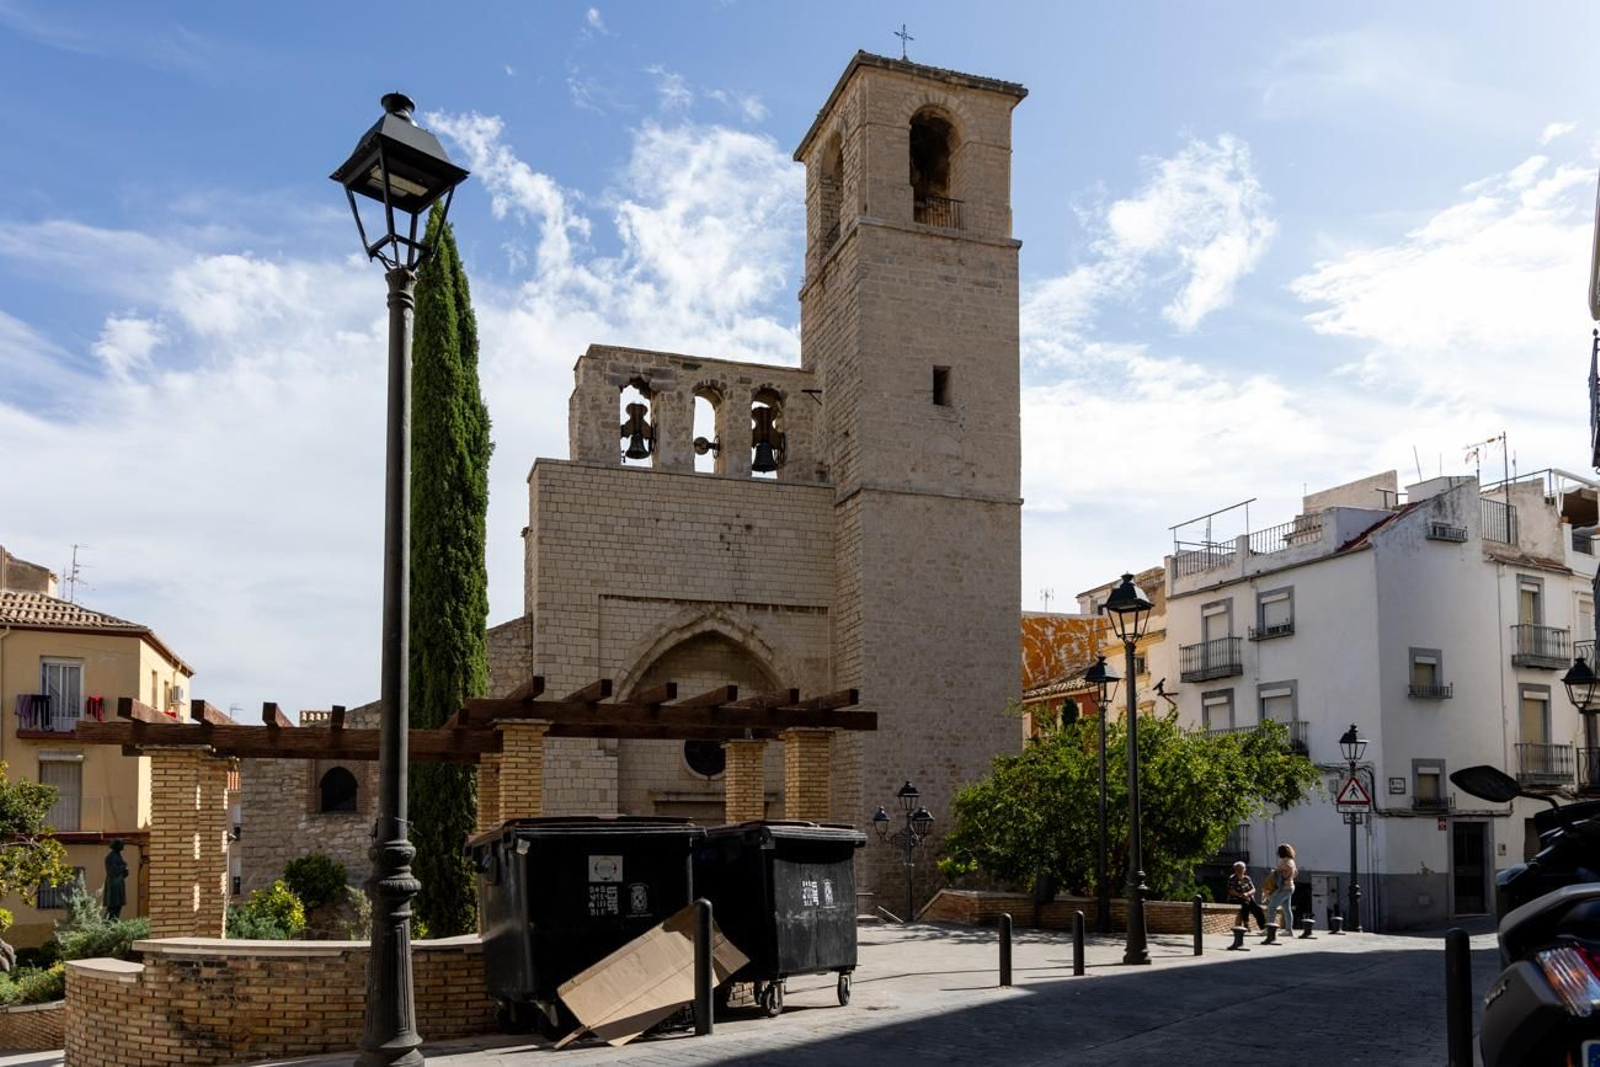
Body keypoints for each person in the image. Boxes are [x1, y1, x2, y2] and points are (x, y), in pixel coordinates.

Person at [1264, 843, 1297, 934]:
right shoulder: (1292, 860)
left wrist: (1276, 871)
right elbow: (1295, 873)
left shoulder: (1285, 861)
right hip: (1290, 886)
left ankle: (1269, 929)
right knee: (1287, 909)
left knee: (1272, 907)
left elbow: (1285, 871)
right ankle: (1289, 930)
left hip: (1284, 888)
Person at [1227, 860, 1267, 930]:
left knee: (1258, 909)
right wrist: (1242, 895)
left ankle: (1263, 928)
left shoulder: (1247, 878)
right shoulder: (1232, 878)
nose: (1239, 871)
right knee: (1246, 904)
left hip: (1248, 898)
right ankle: (1246, 922)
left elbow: (1253, 889)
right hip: (1236, 898)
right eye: (1237, 869)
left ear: (1244, 869)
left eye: (1241, 869)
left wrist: (1247, 894)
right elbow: (1231, 891)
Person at [104, 839, 128, 920]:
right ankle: (108, 927)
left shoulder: (118, 856)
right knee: (112, 909)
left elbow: (121, 873)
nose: (123, 846)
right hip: (114, 887)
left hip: (118, 885)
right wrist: (123, 866)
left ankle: (114, 925)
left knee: (117, 908)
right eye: (121, 845)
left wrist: (124, 871)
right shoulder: (111, 857)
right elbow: (113, 871)